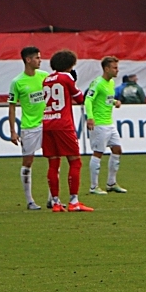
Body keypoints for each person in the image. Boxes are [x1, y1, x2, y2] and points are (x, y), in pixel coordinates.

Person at [42, 50, 91, 212]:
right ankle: (74, 201)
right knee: (75, 161)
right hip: (63, 124)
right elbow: (80, 99)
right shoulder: (66, 77)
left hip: (47, 123)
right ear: (69, 65)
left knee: (53, 163)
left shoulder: (46, 80)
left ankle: (56, 203)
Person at [8, 46, 49, 210]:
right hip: (29, 127)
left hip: (47, 124)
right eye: (37, 58)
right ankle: (29, 200)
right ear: (28, 60)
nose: (40, 60)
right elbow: (12, 107)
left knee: (54, 159)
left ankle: (52, 198)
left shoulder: (45, 77)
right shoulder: (17, 82)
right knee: (28, 162)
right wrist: (12, 131)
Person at [86, 56, 127, 194]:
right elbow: (88, 100)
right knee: (98, 153)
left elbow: (105, 99)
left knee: (117, 149)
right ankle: (93, 186)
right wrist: (90, 118)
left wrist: (114, 101)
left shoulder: (111, 83)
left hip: (109, 123)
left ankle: (111, 183)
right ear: (106, 69)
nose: (117, 70)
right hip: (99, 124)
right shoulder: (98, 83)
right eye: (114, 68)